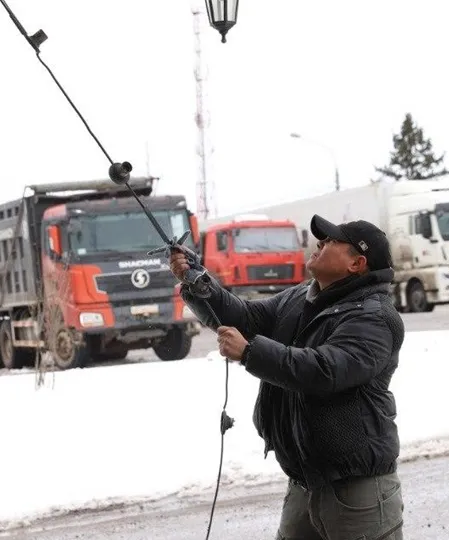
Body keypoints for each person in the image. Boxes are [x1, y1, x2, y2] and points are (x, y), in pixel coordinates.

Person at [169, 214, 406, 540]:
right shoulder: (302, 296)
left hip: (357, 488)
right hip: (305, 480)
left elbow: (326, 370)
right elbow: (247, 318)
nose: (320, 243)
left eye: (333, 240)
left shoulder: (374, 316)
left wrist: (251, 353)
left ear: (357, 264)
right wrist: (198, 280)